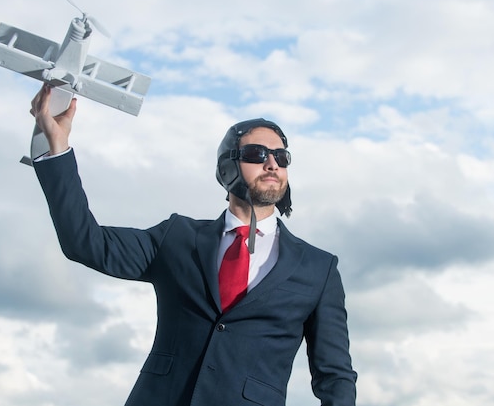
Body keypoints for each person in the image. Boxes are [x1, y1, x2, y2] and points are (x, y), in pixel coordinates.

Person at [30, 83, 357, 406]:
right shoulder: (177, 237)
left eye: (281, 157)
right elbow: (84, 242)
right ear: (227, 167)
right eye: (257, 154)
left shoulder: (319, 268)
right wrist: (56, 147)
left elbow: (335, 377)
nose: (272, 164)